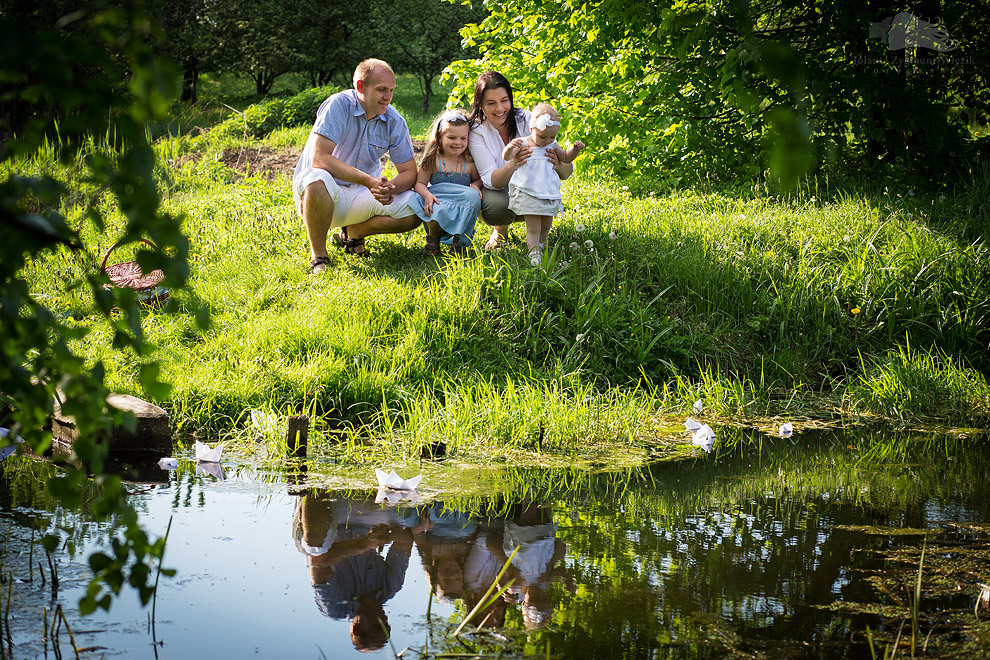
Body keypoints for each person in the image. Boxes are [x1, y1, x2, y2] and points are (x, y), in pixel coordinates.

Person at [292, 58, 420, 272]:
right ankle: (320, 257)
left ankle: (353, 234)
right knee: (316, 178)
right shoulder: (339, 105)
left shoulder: (394, 120)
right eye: (381, 90)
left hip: (363, 196)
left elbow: (409, 172)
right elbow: (320, 159)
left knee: (415, 208)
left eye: (391, 90)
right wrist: (368, 180)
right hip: (322, 195)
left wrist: (389, 188)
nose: (387, 97)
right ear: (360, 86)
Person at [467, 71, 574, 251]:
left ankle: (538, 238)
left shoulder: (528, 119)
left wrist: (558, 164)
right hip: (499, 189)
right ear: (481, 105)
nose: (500, 108)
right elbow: (492, 181)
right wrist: (512, 164)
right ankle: (500, 229)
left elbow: (566, 169)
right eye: (491, 103)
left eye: (504, 100)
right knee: (496, 208)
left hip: (534, 185)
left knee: (539, 193)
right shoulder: (477, 131)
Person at [501, 102, 585, 265]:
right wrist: (511, 147)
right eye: (543, 137)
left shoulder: (552, 145)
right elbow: (506, 157)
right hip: (529, 191)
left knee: (546, 224)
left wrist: (575, 150)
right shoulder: (523, 142)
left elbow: (565, 158)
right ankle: (534, 254)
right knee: (533, 226)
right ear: (532, 130)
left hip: (548, 191)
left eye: (552, 137)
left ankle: (541, 244)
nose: (547, 140)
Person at [408, 110, 483, 256]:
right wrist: (427, 195)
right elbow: (419, 184)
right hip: (437, 198)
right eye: (451, 137)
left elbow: (478, 179)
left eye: (463, 138)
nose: (458, 143)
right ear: (439, 137)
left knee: (473, 197)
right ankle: (433, 238)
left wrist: (476, 185)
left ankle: (459, 242)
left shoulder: (469, 161)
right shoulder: (433, 159)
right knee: (435, 208)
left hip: (460, 200)